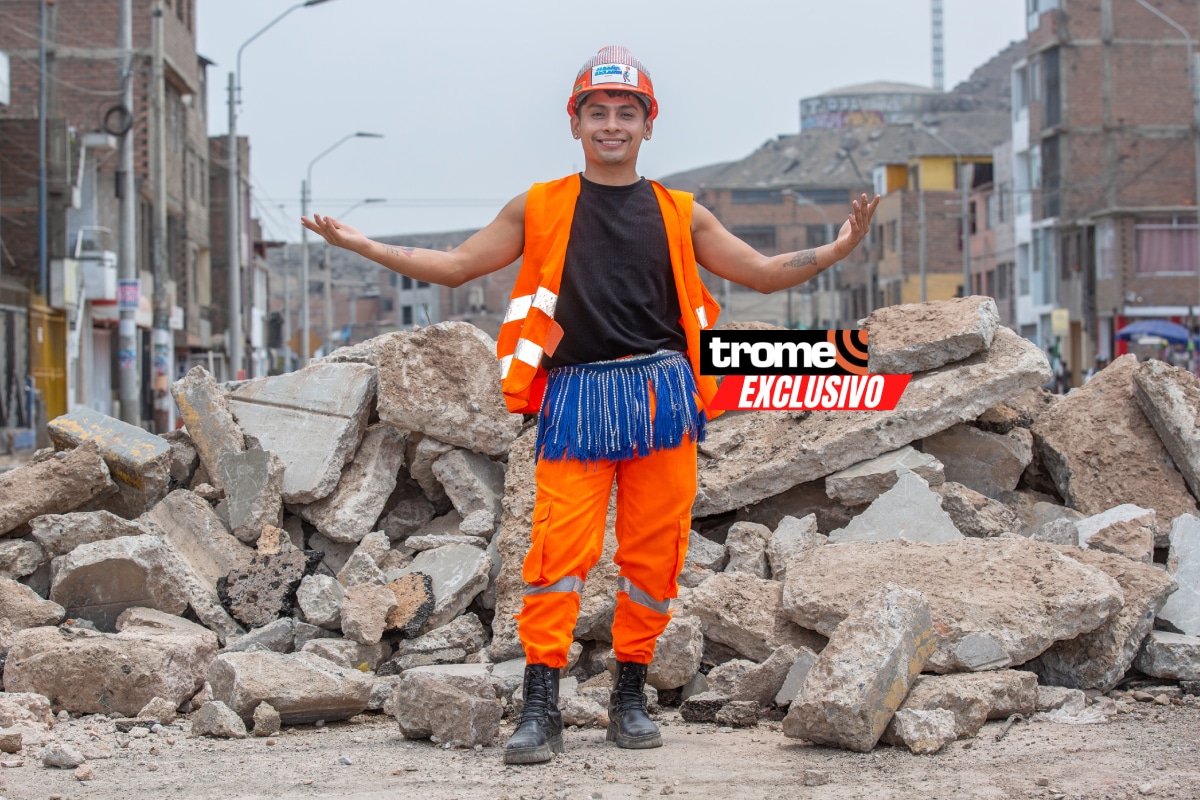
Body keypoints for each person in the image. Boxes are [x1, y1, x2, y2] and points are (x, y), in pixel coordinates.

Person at [303, 45, 879, 764]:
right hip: (575, 400)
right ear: (576, 124)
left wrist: (836, 248)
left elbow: (761, 273)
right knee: (556, 556)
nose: (612, 125)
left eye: (625, 113)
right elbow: (455, 265)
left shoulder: (680, 212)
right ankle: (541, 705)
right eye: (598, 112)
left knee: (653, 556)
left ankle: (629, 694)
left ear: (647, 125)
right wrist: (363, 244)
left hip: (663, 399)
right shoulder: (539, 205)